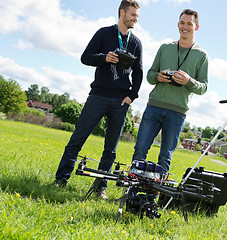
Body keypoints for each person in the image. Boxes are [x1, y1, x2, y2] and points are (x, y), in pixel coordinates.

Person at [54, 0, 143, 200]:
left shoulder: (136, 43)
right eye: (133, 15)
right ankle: (61, 180)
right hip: (98, 96)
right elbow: (85, 57)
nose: (136, 19)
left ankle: (100, 187)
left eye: (137, 16)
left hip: (121, 101)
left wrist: (131, 96)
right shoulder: (103, 33)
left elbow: (139, 72)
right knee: (77, 139)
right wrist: (104, 57)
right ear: (122, 13)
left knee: (110, 149)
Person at [132, 9, 208, 174]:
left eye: (189, 23)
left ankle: (157, 198)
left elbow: (203, 87)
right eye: (182, 23)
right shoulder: (165, 47)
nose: (185, 26)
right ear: (178, 24)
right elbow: (150, 75)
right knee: (140, 151)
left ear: (197, 27)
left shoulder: (202, 55)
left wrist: (189, 81)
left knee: (165, 156)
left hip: (177, 113)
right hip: (154, 107)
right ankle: (132, 194)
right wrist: (158, 76)